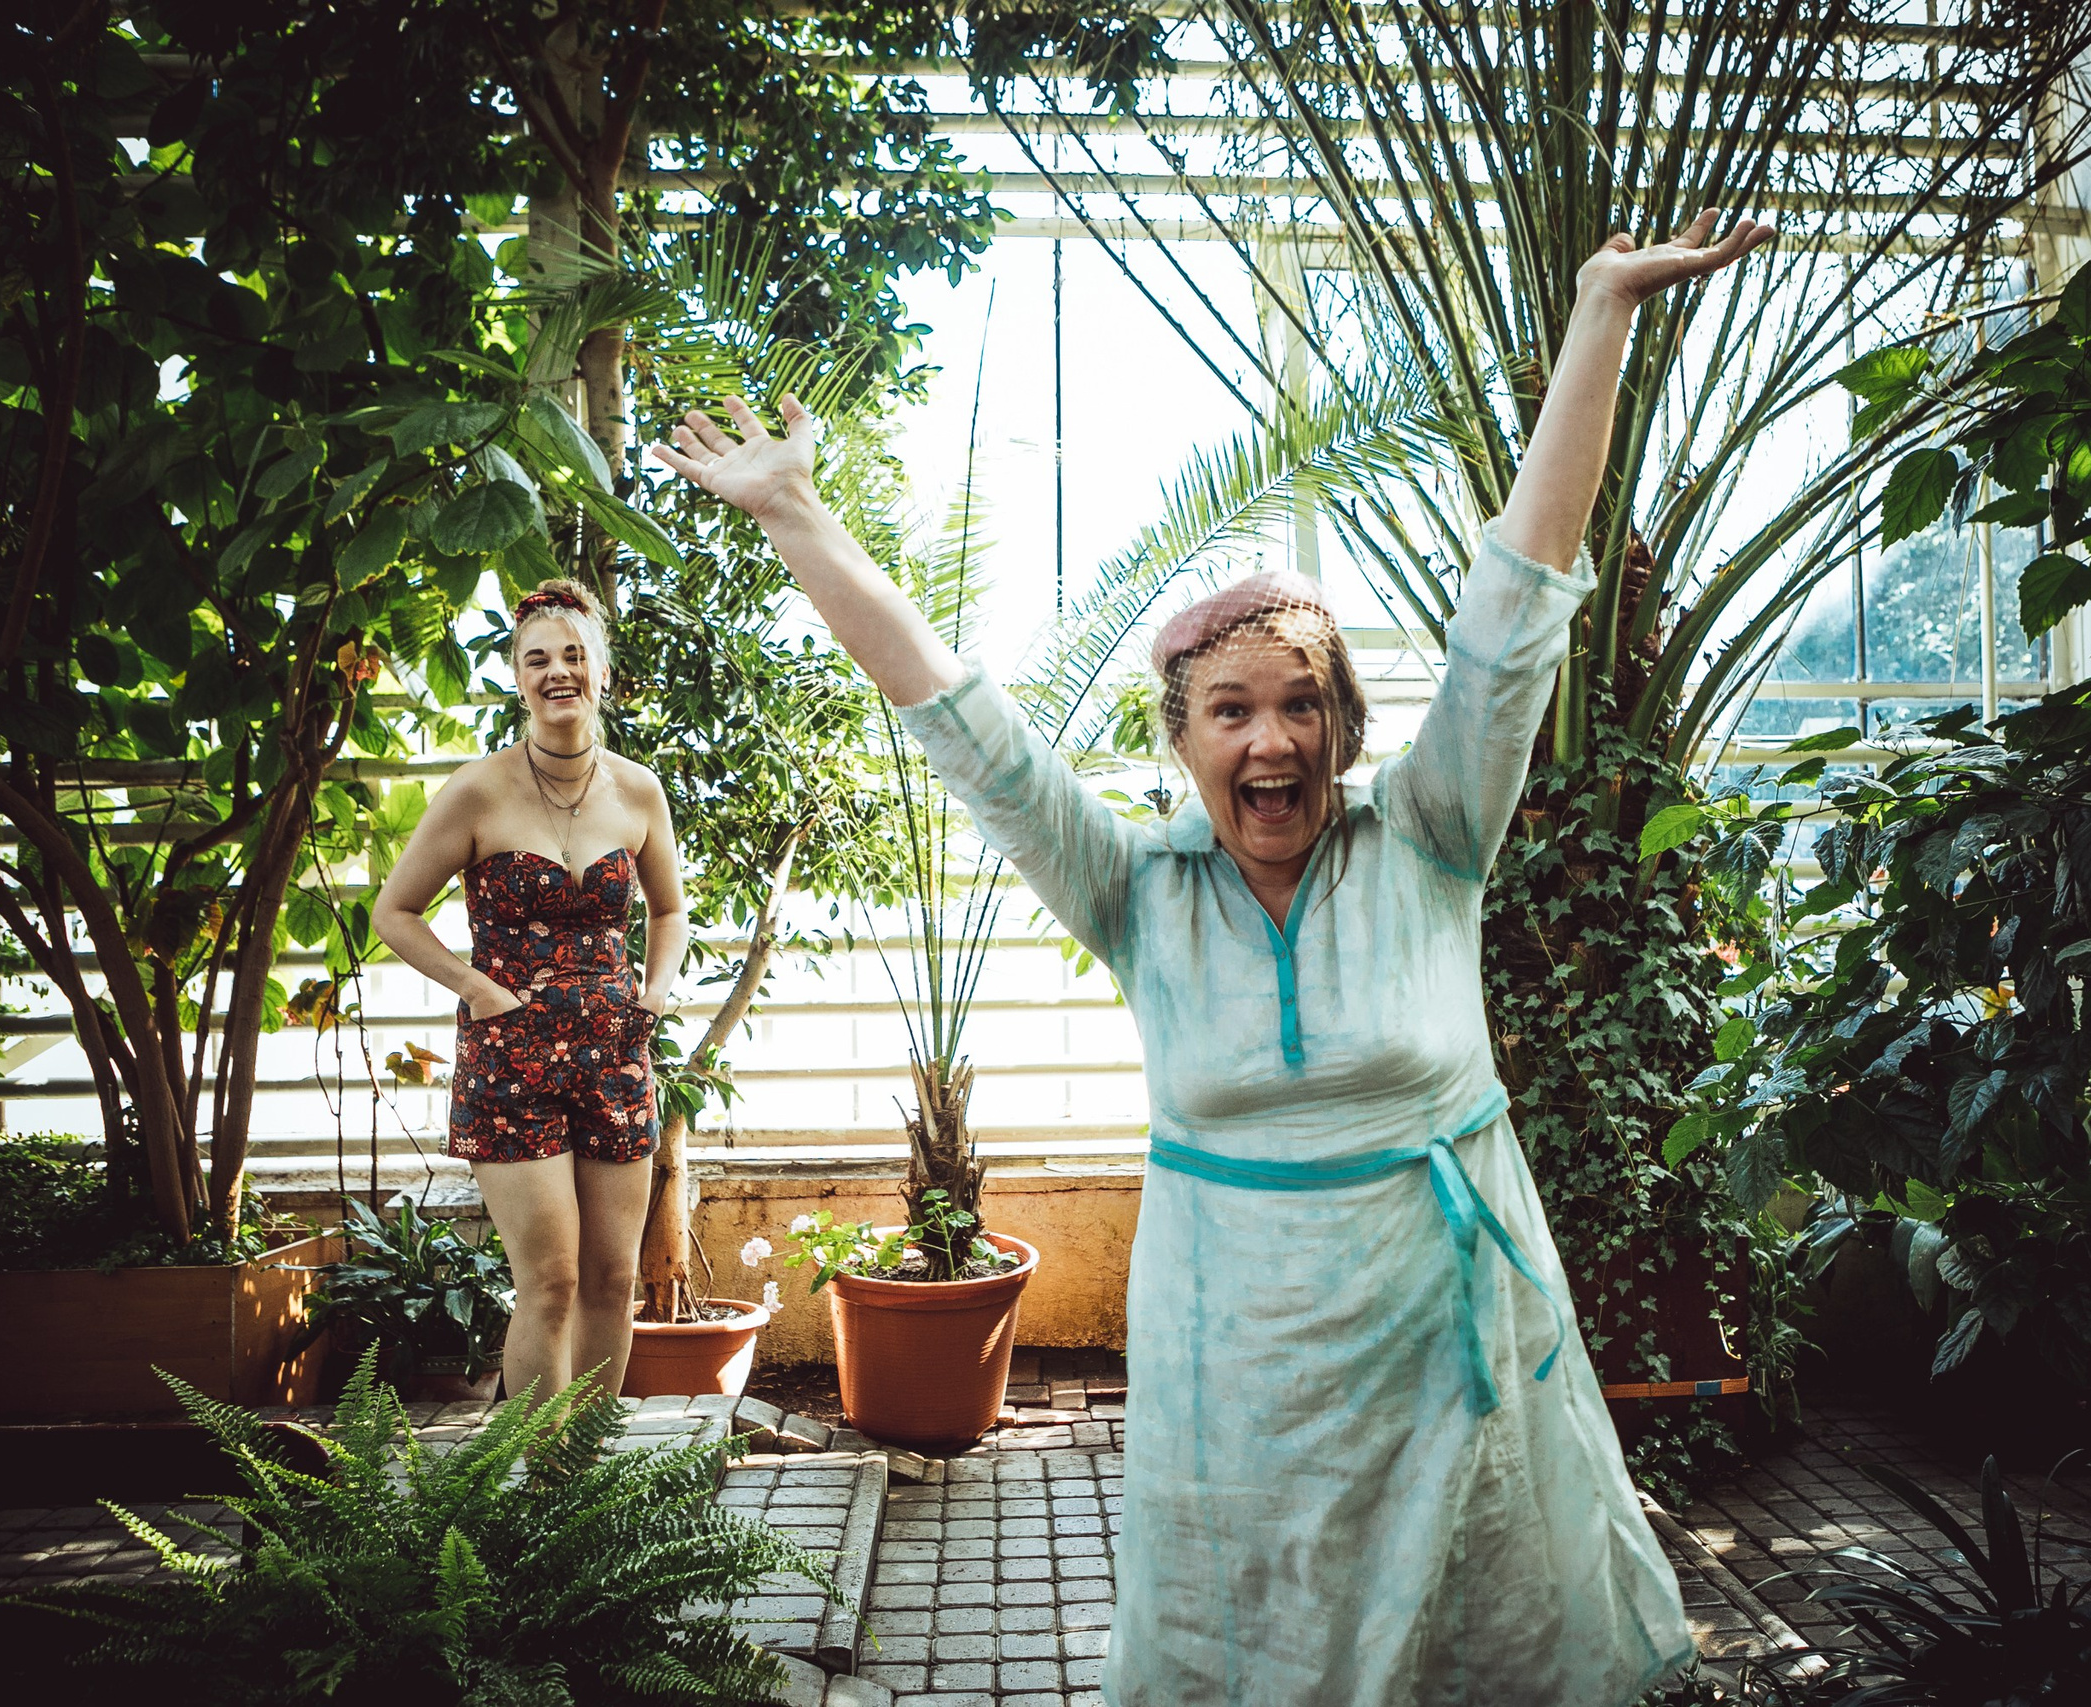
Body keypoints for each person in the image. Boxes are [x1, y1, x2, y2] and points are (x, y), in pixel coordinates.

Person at [658, 209, 1772, 1705]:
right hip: (1236, 1363)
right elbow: (967, 727)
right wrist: (798, 515)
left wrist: (1598, 316)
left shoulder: (1432, 837)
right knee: (1269, 1631)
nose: (1272, 737)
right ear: (1182, 743)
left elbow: (1514, 616)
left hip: (1444, 1340)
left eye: (1301, 704)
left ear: (1343, 729)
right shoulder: (1135, 888)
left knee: (1476, 1617)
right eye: (1231, 709)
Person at [372, 579, 687, 1403]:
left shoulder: (638, 789)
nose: (559, 673)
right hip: (511, 1061)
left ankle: (582, 1481)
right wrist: (476, 988)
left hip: (615, 1055)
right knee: (549, 1281)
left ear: (602, 672)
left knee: (613, 1280)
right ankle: (534, 1488)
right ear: (517, 676)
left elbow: (670, 908)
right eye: (537, 659)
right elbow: (394, 911)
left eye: (574, 656)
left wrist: (655, 990)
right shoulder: (479, 790)